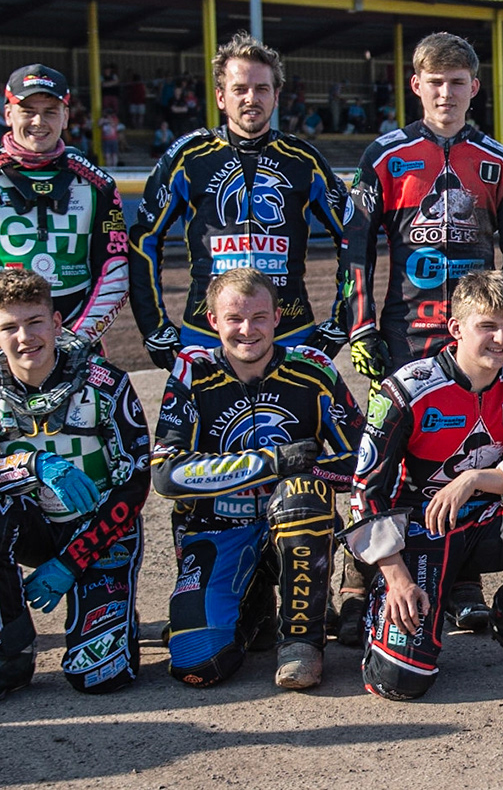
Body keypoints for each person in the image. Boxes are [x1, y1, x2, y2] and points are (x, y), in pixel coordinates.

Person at [341, 31, 503, 638]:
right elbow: (355, 249)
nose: (446, 93)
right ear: (416, 86)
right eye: (435, 82)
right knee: (386, 455)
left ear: (474, 88)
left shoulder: (497, 160)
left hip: (476, 332)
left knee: (476, 445)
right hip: (405, 330)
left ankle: (459, 577)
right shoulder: (384, 155)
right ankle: (359, 575)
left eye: (457, 82)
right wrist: (361, 324)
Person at [345, 270, 503, 700]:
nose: (501, 338)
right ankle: (375, 591)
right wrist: (397, 576)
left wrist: (474, 479)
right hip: (419, 534)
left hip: (485, 520)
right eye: (488, 326)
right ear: (456, 328)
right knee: (401, 681)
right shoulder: (405, 389)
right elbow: (366, 489)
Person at [0, 268, 150, 707]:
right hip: (28, 526)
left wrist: (71, 562)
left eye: (35, 322)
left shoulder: (105, 382)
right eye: (9, 327)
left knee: (100, 676)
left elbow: (136, 484)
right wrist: (34, 464)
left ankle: (107, 609)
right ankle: (6, 654)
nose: (25, 337)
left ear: (56, 323)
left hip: (98, 531)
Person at [149, 269, 364, 691]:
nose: (248, 330)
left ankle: (303, 641)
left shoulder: (313, 368)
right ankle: (254, 610)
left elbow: (359, 458)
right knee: (199, 666)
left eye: (260, 318)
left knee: (303, 492)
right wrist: (271, 463)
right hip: (216, 530)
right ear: (213, 321)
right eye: (234, 319)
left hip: (293, 527)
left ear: (278, 317)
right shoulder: (192, 371)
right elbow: (166, 474)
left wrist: (307, 472)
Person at [129, 32, 351, 368]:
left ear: (276, 95)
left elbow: (353, 237)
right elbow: (144, 239)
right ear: (220, 96)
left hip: (290, 334)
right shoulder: (187, 156)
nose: (252, 98)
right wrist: (154, 327)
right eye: (240, 89)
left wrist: (339, 324)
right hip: (205, 336)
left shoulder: (305, 159)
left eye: (262, 88)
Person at [0, 64, 130, 357]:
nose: (39, 121)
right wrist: (1, 333)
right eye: (27, 111)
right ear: (7, 114)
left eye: (50, 111)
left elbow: (114, 270)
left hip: (81, 346)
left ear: (65, 116)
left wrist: (77, 337)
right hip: (2, 350)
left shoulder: (98, 184)